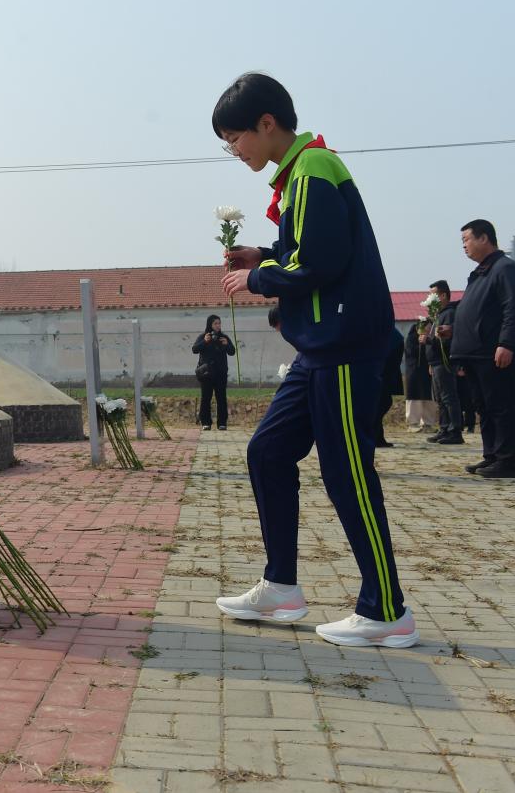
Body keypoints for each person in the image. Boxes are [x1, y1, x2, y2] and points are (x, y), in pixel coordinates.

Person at [210, 72, 416, 648]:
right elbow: (309, 248)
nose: (234, 150)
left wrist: (258, 276)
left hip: (346, 347)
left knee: (347, 472)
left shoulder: (316, 169)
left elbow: (322, 264)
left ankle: (386, 611)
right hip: (318, 349)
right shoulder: (301, 172)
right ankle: (280, 586)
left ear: (267, 124)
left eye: (235, 138)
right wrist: (267, 251)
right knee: (268, 450)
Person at [444, 220, 515, 478]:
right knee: (484, 407)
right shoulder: (480, 273)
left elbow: (513, 310)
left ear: (484, 238)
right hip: (473, 354)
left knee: (500, 406)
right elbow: (478, 312)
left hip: (493, 353)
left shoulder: (505, 268)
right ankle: (492, 456)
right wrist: (454, 330)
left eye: (467, 239)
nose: (464, 246)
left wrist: (506, 344)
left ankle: (509, 461)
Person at [423, 280, 463, 444]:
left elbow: (445, 340)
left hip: (444, 361)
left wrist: (429, 340)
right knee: (440, 398)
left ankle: (455, 431)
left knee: (448, 397)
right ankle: (444, 428)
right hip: (436, 361)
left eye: (434, 294)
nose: (431, 298)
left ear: (443, 295)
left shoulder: (449, 313)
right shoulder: (438, 314)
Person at [192, 314, 236, 430]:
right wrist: (205, 342)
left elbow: (232, 352)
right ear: (210, 325)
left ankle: (222, 423)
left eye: (219, 323)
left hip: (221, 374)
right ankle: (206, 422)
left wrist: (227, 344)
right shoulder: (204, 336)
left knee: (221, 398)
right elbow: (194, 349)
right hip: (206, 374)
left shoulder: (224, 337)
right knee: (206, 398)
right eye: (215, 323)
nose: (218, 326)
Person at [374, 327, 404, 448]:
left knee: (381, 402)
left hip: (382, 365)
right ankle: (376, 437)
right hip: (382, 365)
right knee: (381, 402)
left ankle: (376, 437)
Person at [403, 321, 435, 431]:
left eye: (429, 329)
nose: (427, 331)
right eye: (426, 328)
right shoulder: (411, 339)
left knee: (429, 398)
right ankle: (413, 423)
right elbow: (412, 352)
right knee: (414, 398)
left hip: (428, 372)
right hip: (414, 372)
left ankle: (428, 423)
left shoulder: (431, 340)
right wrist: (421, 344)